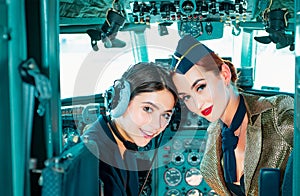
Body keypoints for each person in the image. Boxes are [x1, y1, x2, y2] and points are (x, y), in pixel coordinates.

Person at [170, 35, 294, 195]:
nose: (197, 104)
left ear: (224, 75)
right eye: (186, 97)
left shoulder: (276, 112)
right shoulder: (214, 136)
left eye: (200, 87)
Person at [82, 62, 178, 196]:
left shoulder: (127, 147)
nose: (157, 125)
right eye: (147, 109)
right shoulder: (94, 157)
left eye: (165, 115)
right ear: (120, 101)